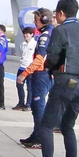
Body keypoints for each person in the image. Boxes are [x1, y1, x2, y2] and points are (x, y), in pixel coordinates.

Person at [28, 0, 79, 157]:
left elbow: (53, 56)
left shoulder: (60, 31)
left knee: (47, 124)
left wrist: (53, 69)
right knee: (68, 125)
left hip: (67, 79)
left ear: (60, 13)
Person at [18, 8, 54, 148]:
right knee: (35, 106)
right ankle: (36, 134)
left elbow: (40, 58)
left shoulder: (45, 35)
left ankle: (39, 139)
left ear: (44, 19)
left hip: (41, 74)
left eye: (36, 19)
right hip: (43, 74)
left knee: (39, 107)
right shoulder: (48, 33)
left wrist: (24, 73)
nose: (34, 21)